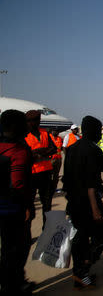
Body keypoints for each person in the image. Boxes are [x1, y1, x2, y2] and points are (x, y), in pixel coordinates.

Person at [63, 116, 103, 290]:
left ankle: (79, 275)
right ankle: (83, 267)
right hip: (89, 203)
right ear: (92, 131)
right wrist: (95, 209)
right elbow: (91, 184)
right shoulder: (93, 150)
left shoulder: (72, 149)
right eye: (98, 131)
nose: (100, 134)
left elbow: (66, 180)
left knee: (80, 237)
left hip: (74, 202)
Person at [0, 110, 34, 295]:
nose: (27, 127)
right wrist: (26, 207)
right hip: (14, 208)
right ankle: (14, 284)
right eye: (24, 123)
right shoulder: (18, 150)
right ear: (14, 126)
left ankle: (8, 282)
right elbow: (18, 183)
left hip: (3, 206)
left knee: (6, 248)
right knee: (18, 248)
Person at [24, 110, 56, 228]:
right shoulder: (24, 135)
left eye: (37, 120)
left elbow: (53, 148)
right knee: (29, 204)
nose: (36, 123)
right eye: (32, 121)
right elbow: (25, 153)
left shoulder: (44, 133)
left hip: (46, 172)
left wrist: (38, 152)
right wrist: (41, 151)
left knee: (47, 203)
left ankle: (46, 228)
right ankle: (27, 230)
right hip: (31, 174)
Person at [49, 128, 63, 196]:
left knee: (56, 175)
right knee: (49, 174)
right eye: (55, 131)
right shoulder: (49, 138)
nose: (56, 132)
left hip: (58, 158)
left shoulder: (60, 138)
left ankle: (54, 188)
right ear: (52, 131)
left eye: (57, 131)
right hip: (51, 159)